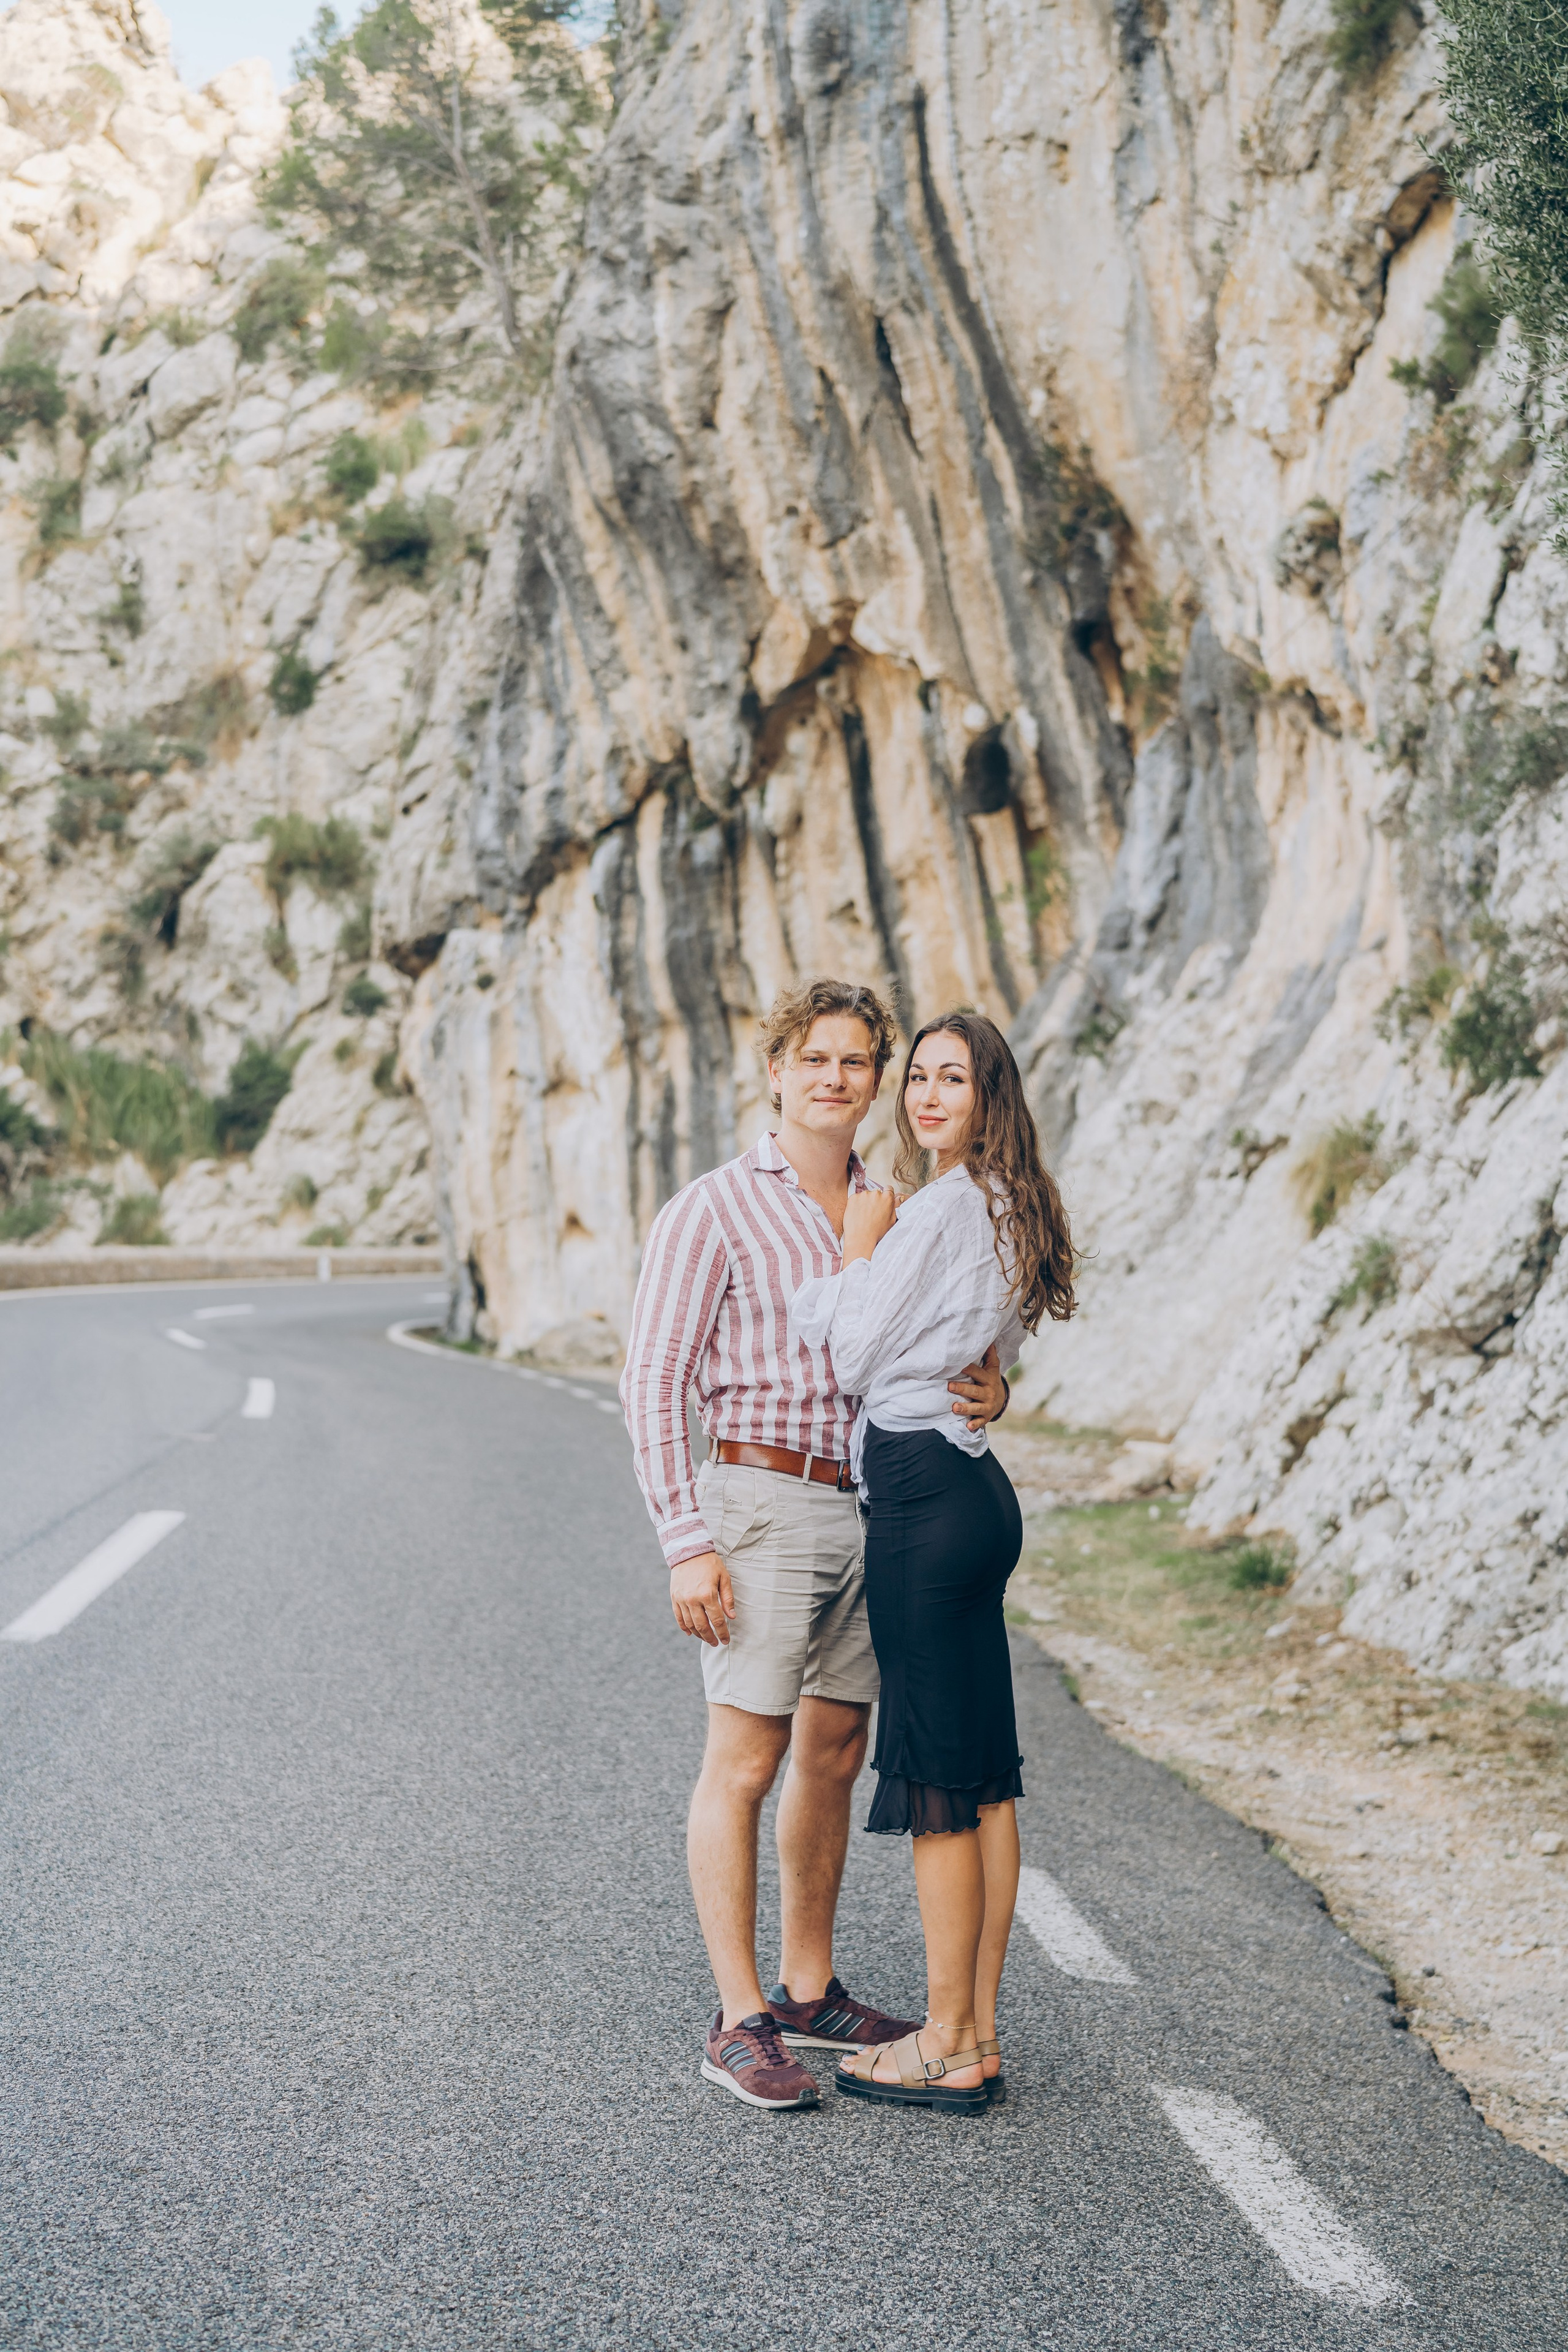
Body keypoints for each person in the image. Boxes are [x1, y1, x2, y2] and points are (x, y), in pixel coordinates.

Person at [620, 978, 1011, 2112]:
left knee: (834, 1752)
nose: (837, 1078)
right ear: (777, 1072)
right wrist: (685, 1541)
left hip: (874, 1506)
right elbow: (653, 1379)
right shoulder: (714, 1208)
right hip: (759, 1500)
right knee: (746, 1760)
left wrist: (994, 1387)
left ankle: (807, 1988)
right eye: (815, 1059)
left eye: (856, 1061)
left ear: (876, 1078)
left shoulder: (894, 1202)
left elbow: (939, 1342)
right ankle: (740, 2017)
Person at [790, 1008, 1076, 2113]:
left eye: (952, 1079)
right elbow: (988, 1353)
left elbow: (854, 1354)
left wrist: (857, 1249)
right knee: (984, 1780)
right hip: (974, 1492)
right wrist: (993, 1381)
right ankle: (976, 2033)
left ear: (988, 1095)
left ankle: (948, 2040)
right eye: (917, 1077)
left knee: (940, 1786)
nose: (925, 1096)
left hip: (921, 1495)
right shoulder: (1008, 1199)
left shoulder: (943, 1205)